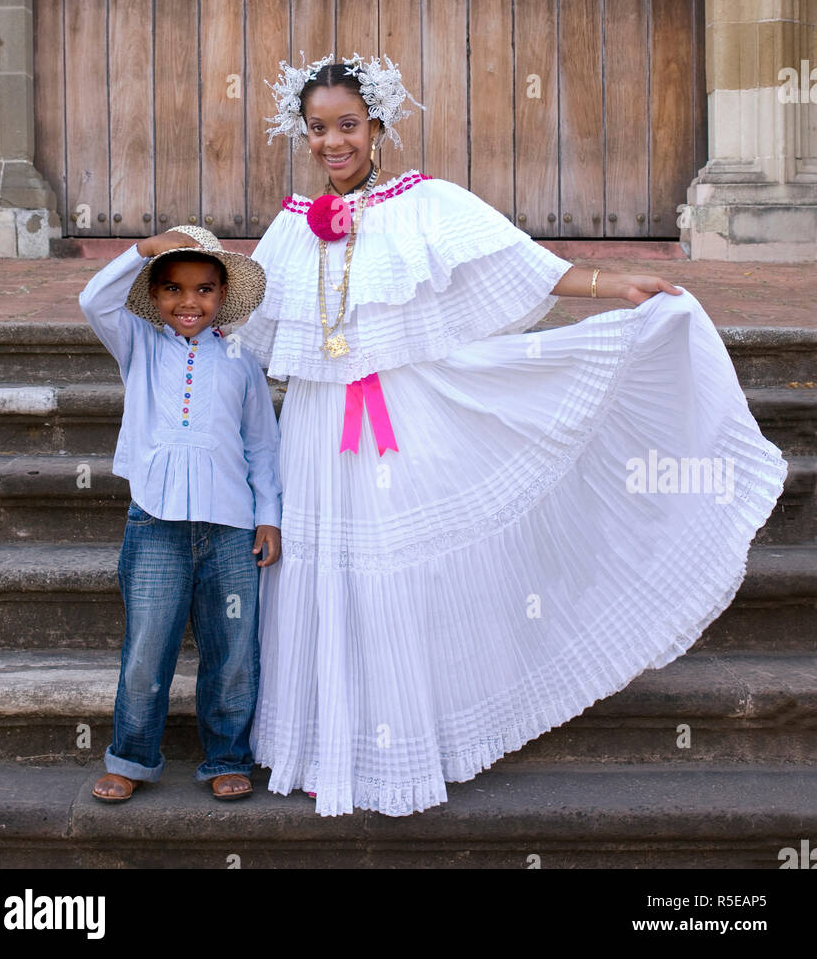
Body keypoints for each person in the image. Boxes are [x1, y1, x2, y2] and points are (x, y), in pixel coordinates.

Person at [236, 51, 788, 818]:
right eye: (319, 129)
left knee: (395, 565)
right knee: (323, 570)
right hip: (317, 425)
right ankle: (330, 747)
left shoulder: (426, 203)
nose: (334, 143)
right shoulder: (289, 228)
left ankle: (403, 743)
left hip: (405, 416)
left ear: (377, 127)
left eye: (349, 126)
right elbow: (241, 322)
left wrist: (613, 286)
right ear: (304, 132)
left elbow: (520, 263)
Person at [79, 225, 282, 802]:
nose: (187, 302)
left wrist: (269, 515)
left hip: (231, 531)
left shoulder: (242, 359)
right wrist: (144, 248)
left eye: (203, 290)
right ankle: (132, 757)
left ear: (222, 297)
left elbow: (262, 444)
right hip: (155, 528)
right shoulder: (138, 344)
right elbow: (94, 299)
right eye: (172, 288)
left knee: (234, 652)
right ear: (155, 296)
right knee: (146, 651)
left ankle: (226, 757)